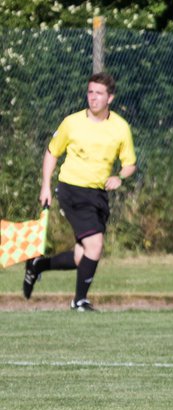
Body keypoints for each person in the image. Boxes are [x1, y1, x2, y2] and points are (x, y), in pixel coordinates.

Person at [23, 71, 137, 311]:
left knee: (81, 256)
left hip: (97, 195)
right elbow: (52, 152)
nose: (93, 97)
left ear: (110, 98)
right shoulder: (72, 122)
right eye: (90, 92)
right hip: (71, 190)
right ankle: (79, 301)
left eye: (99, 93)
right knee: (95, 245)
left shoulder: (120, 127)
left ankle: (37, 266)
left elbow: (130, 164)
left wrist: (120, 177)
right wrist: (46, 184)